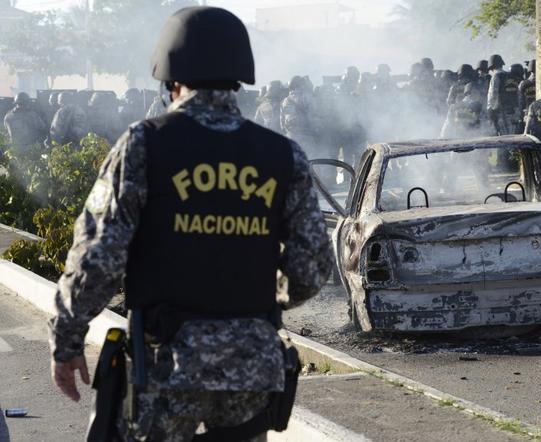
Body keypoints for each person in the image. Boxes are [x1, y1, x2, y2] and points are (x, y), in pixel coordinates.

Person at [48, 7, 333, 440]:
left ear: (171, 79)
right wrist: (256, 309)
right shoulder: (283, 154)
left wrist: (67, 338)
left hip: (167, 365)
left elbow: (98, 256)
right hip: (252, 369)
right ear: (238, 77)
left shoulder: (144, 144)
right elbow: (312, 267)